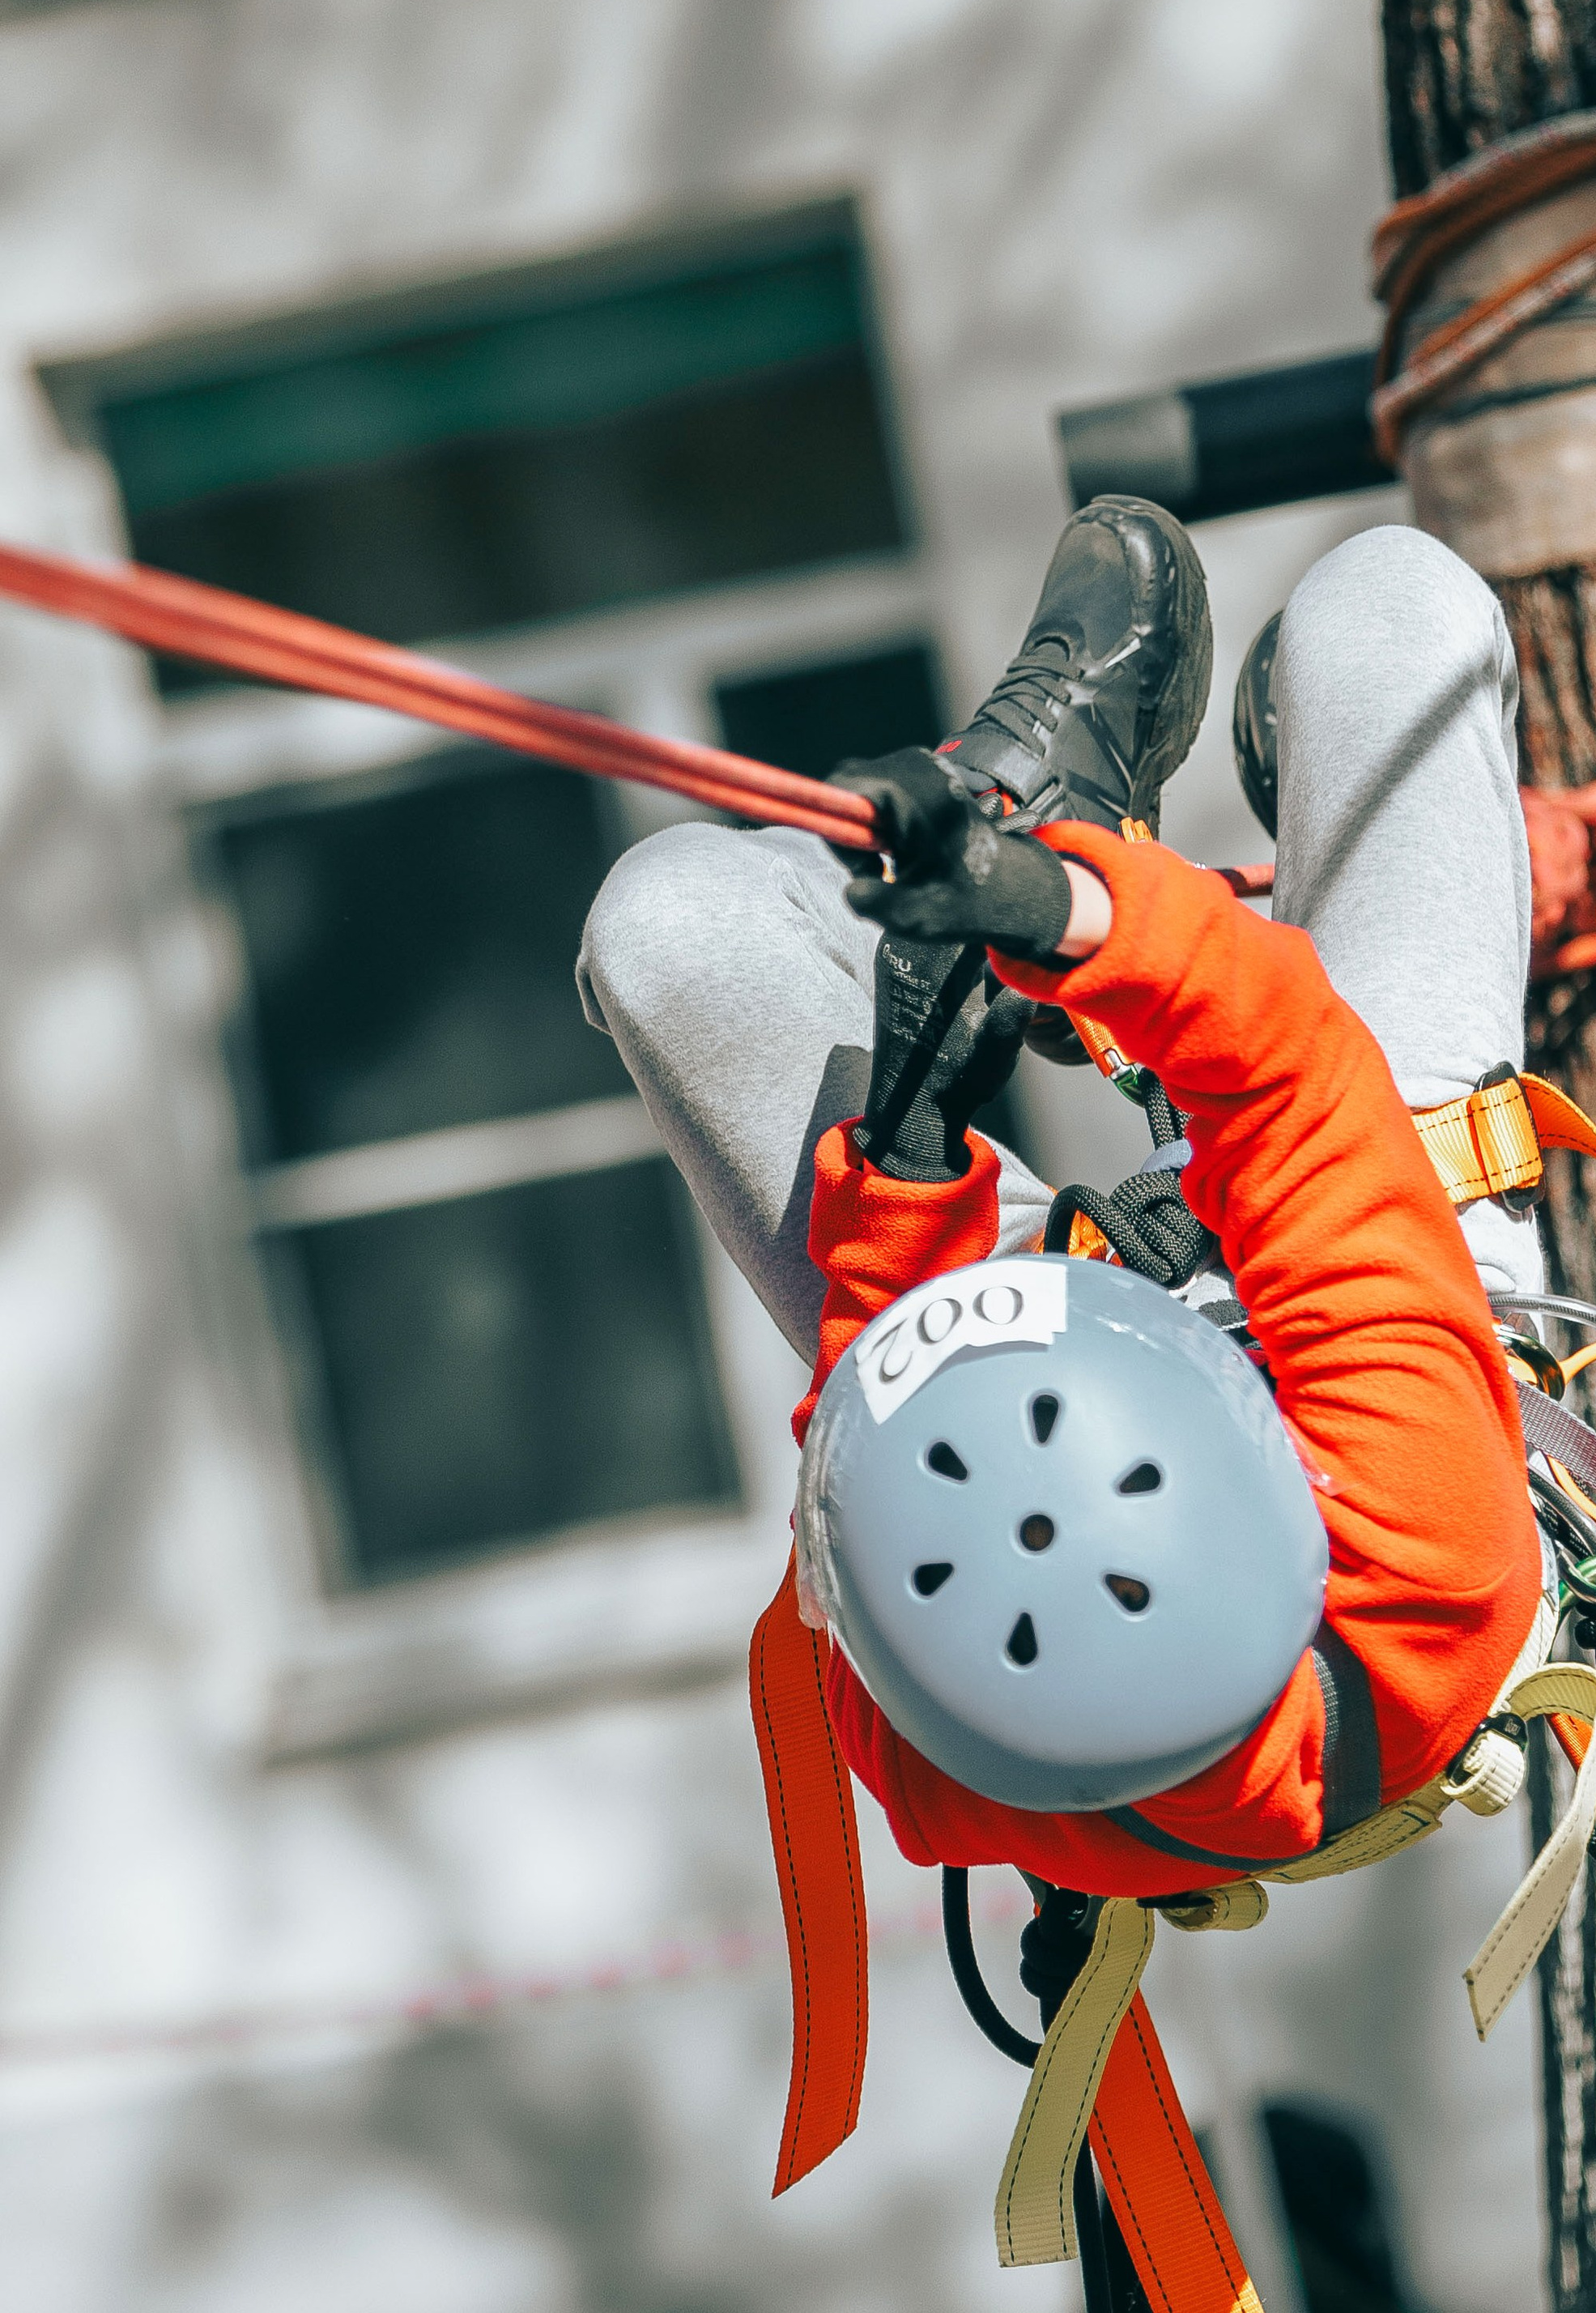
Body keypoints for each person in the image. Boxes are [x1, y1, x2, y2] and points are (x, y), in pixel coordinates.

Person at [577, 498, 1547, 1896]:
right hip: (1411, 1349)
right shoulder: (1421, 1551)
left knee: (663, 926)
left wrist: (908, 1156)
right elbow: (1283, 1074)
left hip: (1031, 1320)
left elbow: (867, 1406)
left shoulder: (920, 1722)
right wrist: (1066, 910)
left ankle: (979, 851)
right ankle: (1040, 854)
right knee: (1386, 604)